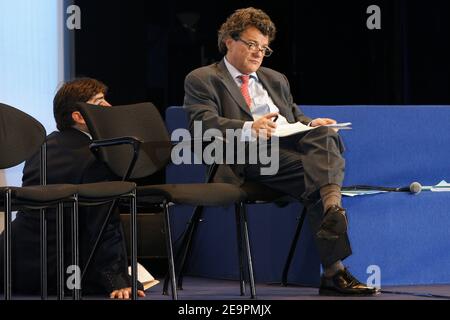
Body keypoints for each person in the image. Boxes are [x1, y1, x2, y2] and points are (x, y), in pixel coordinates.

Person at [184, 7, 378, 296]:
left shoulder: (276, 79)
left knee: (324, 134)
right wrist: (250, 127)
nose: (258, 53)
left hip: (286, 147)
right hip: (245, 155)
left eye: (264, 48)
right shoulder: (203, 78)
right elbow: (202, 122)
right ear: (229, 41)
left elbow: (295, 118)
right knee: (317, 178)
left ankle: (332, 209)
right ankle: (334, 265)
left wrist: (311, 123)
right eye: (251, 45)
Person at [0, 78, 145, 299]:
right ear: (78, 117)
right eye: (100, 101)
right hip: (65, 272)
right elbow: (103, 221)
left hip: (14, 265)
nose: (109, 106)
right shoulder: (97, 156)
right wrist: (116, 279)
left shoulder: (42, 146)